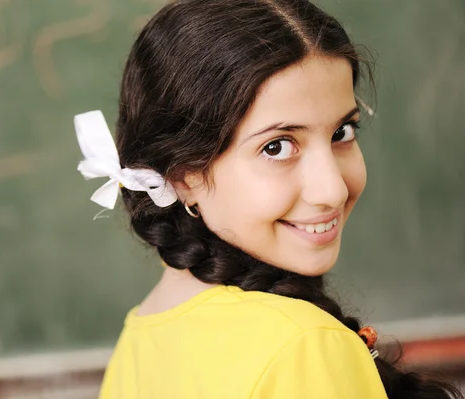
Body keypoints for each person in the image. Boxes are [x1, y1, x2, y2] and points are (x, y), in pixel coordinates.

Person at [74, 0, 464, 398]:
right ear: (182, 175)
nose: (333, 189)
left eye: (342, 133)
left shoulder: (140, 340)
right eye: (277, 147)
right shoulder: (305, 346)